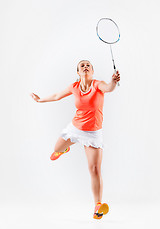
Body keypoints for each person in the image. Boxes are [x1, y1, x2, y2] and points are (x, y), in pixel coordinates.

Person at [30, 60, 120, 220]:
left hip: (93, 133)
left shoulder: (98, 85)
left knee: (95, 170)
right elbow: (57, 96)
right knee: (56, 149)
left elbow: (109, 88)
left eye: (88, 65)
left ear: (92, 71)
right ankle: (63, 149)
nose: (85, 67)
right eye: (82, 66)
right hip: (75, 128)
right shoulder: (74, 86)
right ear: (78, 72)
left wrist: (113, 81)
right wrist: (40, 100)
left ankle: (97, 205)